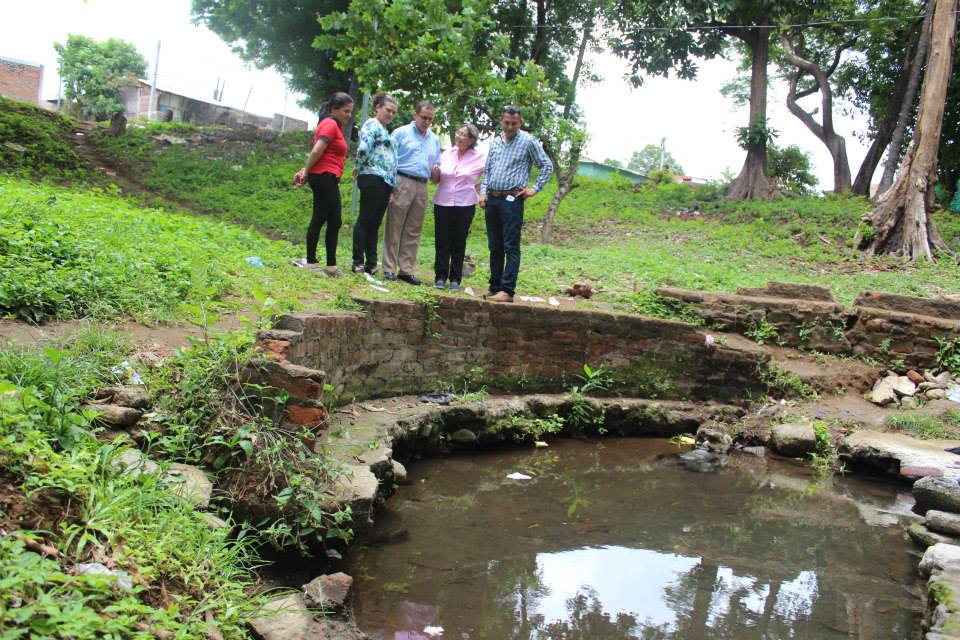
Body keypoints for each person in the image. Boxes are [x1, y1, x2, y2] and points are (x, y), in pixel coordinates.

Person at [478, 105, 552, 302]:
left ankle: (507, 290)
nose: (510, 127)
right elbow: (488, 170)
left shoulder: (528, 141)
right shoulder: (494, 143)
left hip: (512, 200)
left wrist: (533, 189)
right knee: (495, 246)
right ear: (501, 120)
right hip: (493, 198)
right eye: (507, 122)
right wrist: (483, 193)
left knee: (511, 245)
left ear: (520, 122)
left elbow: (546, 165)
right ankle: (494, 287)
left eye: (514, 123)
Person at [293, 92, 354, 276]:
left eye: (351, 112)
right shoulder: (329, 124)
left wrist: (306, 171)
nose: (348, 115)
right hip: (323, 176)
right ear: (334, 109)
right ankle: (311, 262)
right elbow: (317, 150)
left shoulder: (335, 125)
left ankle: (331, 265)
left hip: (329, 176)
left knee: (335, 221)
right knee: (320, 217)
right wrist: (306, 170)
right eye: (345, 111)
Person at [382, 102, 442, 285]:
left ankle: (406, 270)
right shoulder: (400, 133)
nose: (426, 122)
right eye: (424, 117)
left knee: (414, 229)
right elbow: (388, 160)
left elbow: (435, 167)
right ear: (415, 114)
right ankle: (389, 268)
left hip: (422, 185)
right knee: (395, 226)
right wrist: (390, 186)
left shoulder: (434, 139)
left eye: (430, 119)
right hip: (402, 180)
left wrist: (436, 172)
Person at [432, 123, 484, 291]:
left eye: (464, 135)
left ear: (471, 140)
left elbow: (491, 174)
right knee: (442, 240)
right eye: (458, 133)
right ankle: (440, 276)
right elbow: (436, 178)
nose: (459, 137)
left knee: (458, 241)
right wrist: (435, 172)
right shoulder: (447, 154)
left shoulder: (479, 156)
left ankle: (455, 278)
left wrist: (481, 188)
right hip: (443, 201)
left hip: (465, 203)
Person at [352, 93, 399, 274]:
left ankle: (371, 263)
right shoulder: (371, 124)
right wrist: (358, 166)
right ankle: (358, 261)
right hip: (372, 176)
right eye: (388, 110)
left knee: (375, 222)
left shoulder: (386, 130)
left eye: (393, 112)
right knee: (365, 219)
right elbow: (363, 148)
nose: (391, 114)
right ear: (378, 107)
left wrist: (393, 186)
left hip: (385, 181)